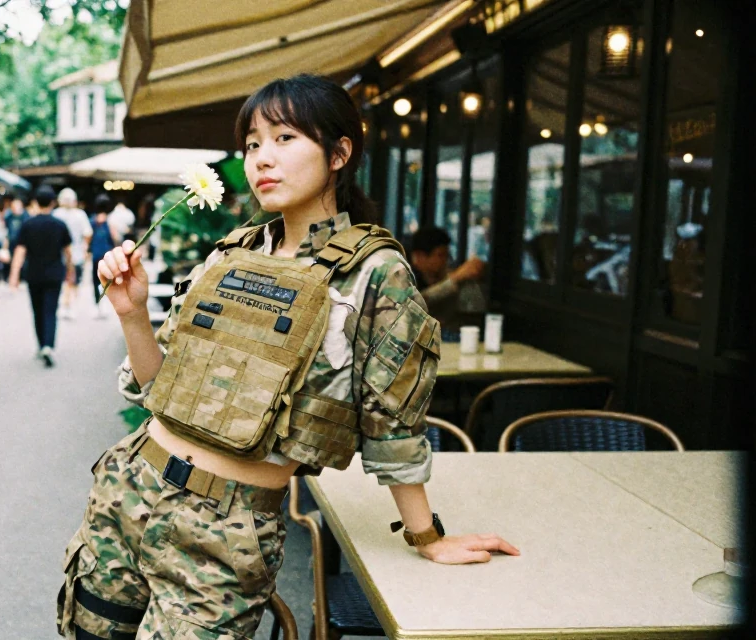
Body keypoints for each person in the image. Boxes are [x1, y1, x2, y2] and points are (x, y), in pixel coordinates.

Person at [60, 75, 518, 639]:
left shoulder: (376, 273)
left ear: (339, 153)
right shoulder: (234, 251)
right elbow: (159, 390)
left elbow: (393, 422)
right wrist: (132, 314)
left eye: (283, 139)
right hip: (125, 494)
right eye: (252, 144)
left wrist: (427, 536)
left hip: (224, 531)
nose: (261, 160)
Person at [8, 186, 74, 368]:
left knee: (37, 310)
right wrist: (71, 271)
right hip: (54, 274)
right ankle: (48, 345)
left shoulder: (28, 224)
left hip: (34, 274)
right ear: (53, 202)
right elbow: (68, 252)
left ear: (36, 202)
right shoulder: (60, 225)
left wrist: (14, 276)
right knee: (50, 310)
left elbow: (20, 252)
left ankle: (41, 345)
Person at [408, 227, 486, 330]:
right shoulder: (403, 277)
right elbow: (412, 304)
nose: (445, 261)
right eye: (440, 255)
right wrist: (454, 279)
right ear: (419, 257)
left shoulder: (445, 276)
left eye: (447, 255)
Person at [53, 188, 92, 320]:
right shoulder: (79, 214)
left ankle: (66, 305)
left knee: (66, 281)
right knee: (73, 281)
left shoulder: (56, 214)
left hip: (62, 255)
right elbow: (87, 233)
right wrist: (84, 247)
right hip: (75, 254)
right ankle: (70, 306)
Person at [88, 194, 119, 317]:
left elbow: (88, 238)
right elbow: (115, 238)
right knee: (107, 280)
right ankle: (105, 303)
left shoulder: (92, 221)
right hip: (108, 255)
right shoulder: (110, 222)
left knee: (95, 280)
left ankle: (97, 304)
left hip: (96, 254)